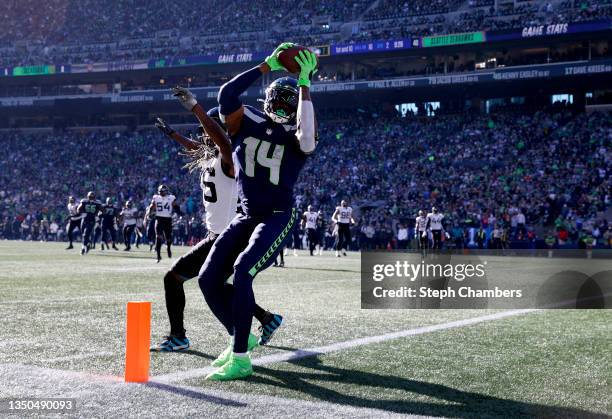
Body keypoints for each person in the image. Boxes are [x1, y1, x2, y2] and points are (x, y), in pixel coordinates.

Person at [197, 42, 317, 380]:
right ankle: (242, 337)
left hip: (278, 214)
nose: (280, 106)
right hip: (247, 214)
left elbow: (307, 138)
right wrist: (266, 65)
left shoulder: (298, 137)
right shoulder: (244, 121)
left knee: (242, 270)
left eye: (287, 102)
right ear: (266, 101)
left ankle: (240, 358)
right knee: (208, 279)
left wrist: (305, 83)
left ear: (295, 108)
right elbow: (226, 93)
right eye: (277, 100)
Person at [150, 95, 283, 352]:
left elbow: (221, 142)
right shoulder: (211, 157)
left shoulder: (231, 157)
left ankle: (206, 336)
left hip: (229, 236)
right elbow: (194, 147)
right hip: (218, 235)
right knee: (201, 283)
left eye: (206, 131)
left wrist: (196, 110)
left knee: (188, 280)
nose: (202, 137)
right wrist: (171, 134)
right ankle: (266, 319)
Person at [148, 184, 180, 262]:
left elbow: (176, 206)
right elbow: (152, 206)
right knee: (158, 237)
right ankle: (158, 256)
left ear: (166, 191)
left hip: (168, 220)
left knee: (168, 238)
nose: (161, 193)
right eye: (160, 191)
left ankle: (168, 248)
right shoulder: (156, 198)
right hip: (159, 219)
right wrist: (149, 213)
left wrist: (177, 211)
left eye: (162, 191)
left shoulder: (171, 198)